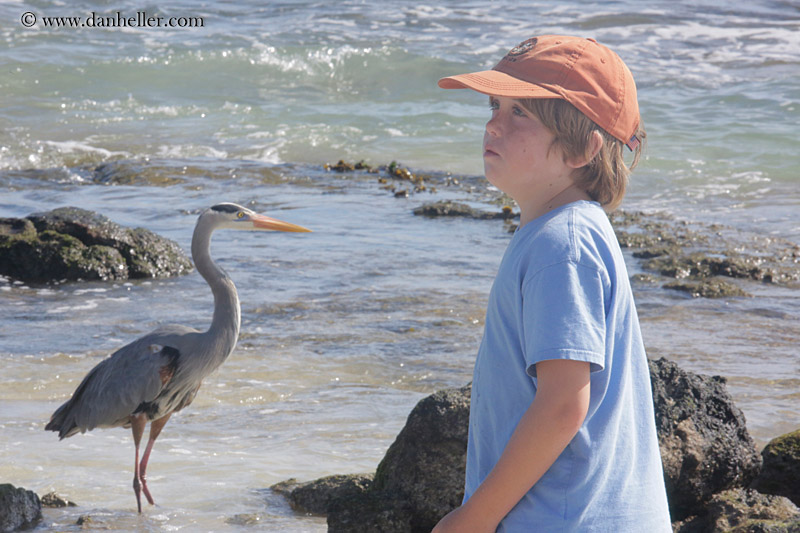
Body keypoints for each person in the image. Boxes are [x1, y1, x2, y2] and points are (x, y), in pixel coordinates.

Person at [432, 35, 672, 532]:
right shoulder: (564, 232)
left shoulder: (562, 244)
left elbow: (563, 404)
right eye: (496, 105)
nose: (493, 123)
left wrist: (472, 520)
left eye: (521, 113)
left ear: (582, 148)